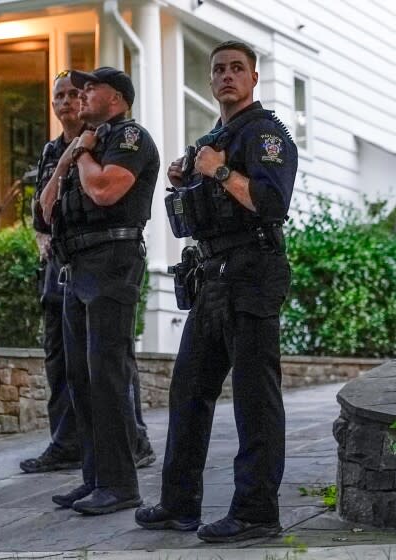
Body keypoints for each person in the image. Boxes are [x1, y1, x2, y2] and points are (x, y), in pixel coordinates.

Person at [135, 40, 297, 542]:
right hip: (211, 275)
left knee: (254, 398)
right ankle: (179, 504)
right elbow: (195, 212)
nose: (227, 76)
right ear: (211, 82)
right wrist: (185, 178)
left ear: (252, 79)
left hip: (252, 271)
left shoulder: (266, 135)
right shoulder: (211, 138)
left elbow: (270, 203)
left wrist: (219, 172)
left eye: (236, 69)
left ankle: (256, 513)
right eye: (219, 70)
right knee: (188, 391)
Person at [22, 71, 156, 475]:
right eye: (63, 94)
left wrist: (80, 153)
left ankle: (126, 463)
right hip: (69, 264)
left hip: (110, 259)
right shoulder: (60, 150)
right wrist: (68, 157)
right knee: (73, 368)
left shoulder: (124, 138)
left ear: (113, 98)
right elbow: (44, 208)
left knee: (109, 369)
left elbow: (104, 191)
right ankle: (89, 467)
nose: (76, 98)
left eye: (85, 90)